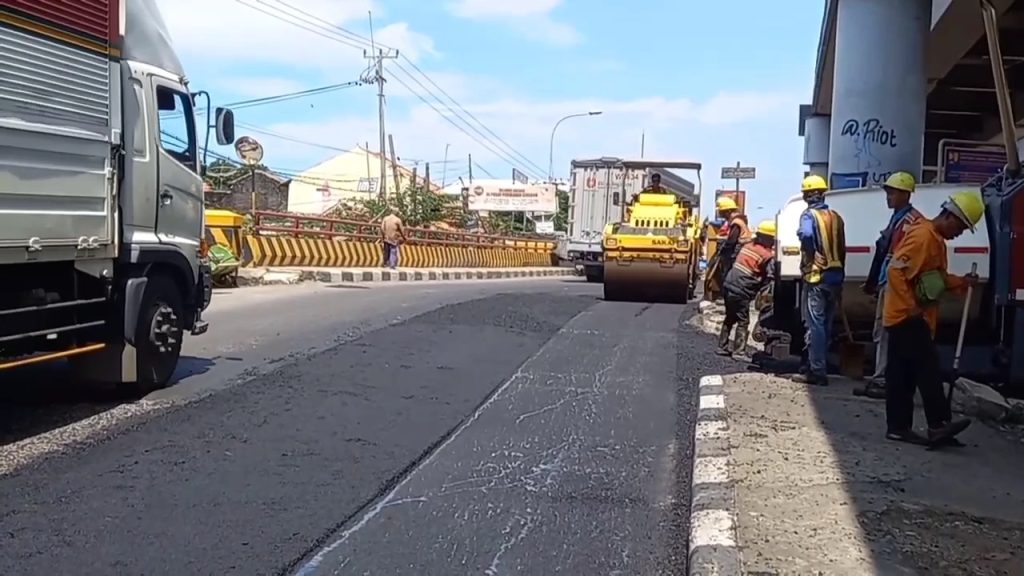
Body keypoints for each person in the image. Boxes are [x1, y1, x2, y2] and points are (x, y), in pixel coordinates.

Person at [882, 191, 983, 445]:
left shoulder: (934, 239)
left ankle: (898, 427)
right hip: (907, 316)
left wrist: (962, 282)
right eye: (959, 227)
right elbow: (895, 270)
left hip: (905, 315)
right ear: (949, 216)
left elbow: (935, 279)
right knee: (928, 369)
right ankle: (938, 424)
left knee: (901, 374)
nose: (958, 233)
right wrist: (910, 307)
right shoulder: (924, 237)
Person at [857, 171, 923, 399]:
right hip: (889, 284)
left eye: (892, 193)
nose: (888, 197)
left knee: (887, 332)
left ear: (906, 194)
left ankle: (884, 380)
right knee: (881, 331)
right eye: (888, 192)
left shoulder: (911, 222)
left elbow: (904, 259)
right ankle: (882, 377)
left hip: (897, 287)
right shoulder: (898, 218)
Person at [791, 174, 846, 386]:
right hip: (835, 277)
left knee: (815, 324)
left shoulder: (809, 216)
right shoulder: (836, 217)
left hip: (817, 277)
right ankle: (818, 363)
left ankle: (817, 370)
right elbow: (842, 248)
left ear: (807, 196)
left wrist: (812, 253)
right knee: (826, 324)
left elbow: (805, 235)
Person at [716, 220, 776, 357]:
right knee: (743, 321)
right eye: (772, 238)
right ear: (768, 238)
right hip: (741, 289)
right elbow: (770, 275)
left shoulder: (748, 246)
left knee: (730, 317)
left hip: (728, 284)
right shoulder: (766, 255)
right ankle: (739, 352)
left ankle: (722, 346)